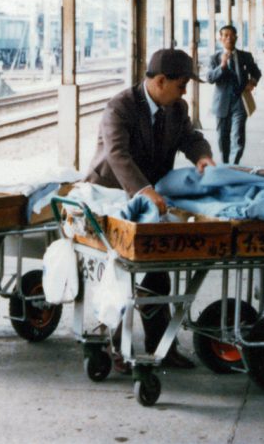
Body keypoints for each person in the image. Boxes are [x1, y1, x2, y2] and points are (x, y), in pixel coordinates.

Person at [85, 48, 217, 369]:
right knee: (116, 274)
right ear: (160, 81)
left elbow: (190, 137)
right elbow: (118, 155)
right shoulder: (121, 107)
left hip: (151, 198)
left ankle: (162, 347)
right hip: (112, 194)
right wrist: (143, 190)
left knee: (157, 272)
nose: (184, 91)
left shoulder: (177, 107)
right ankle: (111, 348)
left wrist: (202, 155)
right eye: (181, 84)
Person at [207, 24, 262, 164]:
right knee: (222, 137)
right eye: (225, 35)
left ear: (236, 38)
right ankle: (225, 164)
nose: (228, 38)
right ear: (220, 39)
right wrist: (222, 66)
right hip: (221, 103)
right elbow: (210, 78)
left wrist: (253, 82)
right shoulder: (214, 58)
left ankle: (234, 165)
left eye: (232, 35)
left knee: (238, 136)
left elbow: (256, 72)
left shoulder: (246, 56)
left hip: (240, 102)